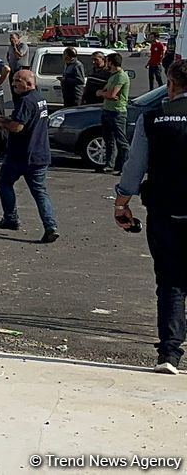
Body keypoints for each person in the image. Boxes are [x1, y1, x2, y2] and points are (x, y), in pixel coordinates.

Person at [114, 59, 187, 374]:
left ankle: (169, 353)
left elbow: (135, 165)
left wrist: (121, 204)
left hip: (165, 210)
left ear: (170, 84)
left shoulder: (152, 118)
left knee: (170, 282)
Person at [0, 69, 59, 243]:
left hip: (21, 155)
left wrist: (1, 122)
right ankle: (50, 226)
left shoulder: (25, 101)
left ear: (28, 83)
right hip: (39, 154)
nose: (13, 84)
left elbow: (18, 127)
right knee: (40, 192)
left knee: (4, 183)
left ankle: (11, 218)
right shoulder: (39, 98)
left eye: (17, 81)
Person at [97, 51, 131, 173]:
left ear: (111, 63)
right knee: (108, 139)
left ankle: (125, 167)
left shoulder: (121, 76)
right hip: (107, 110)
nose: (106, 64)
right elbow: (104, 91)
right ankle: (109, 164)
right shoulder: (112, 76)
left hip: (117, 112)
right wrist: (104, 93)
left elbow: (111, 94)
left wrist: (104, 94)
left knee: (121, 141)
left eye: (107, 61)